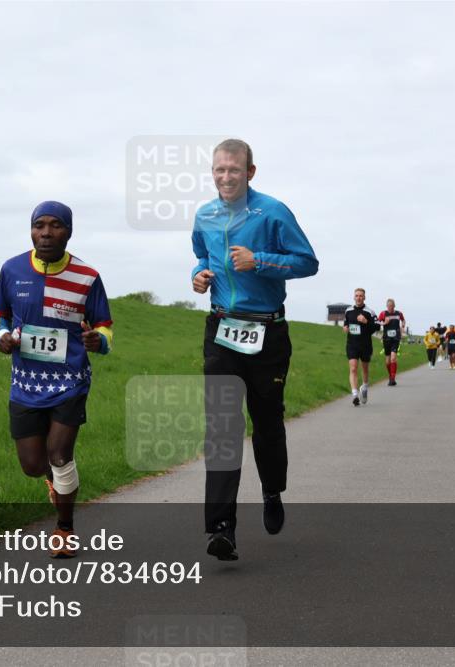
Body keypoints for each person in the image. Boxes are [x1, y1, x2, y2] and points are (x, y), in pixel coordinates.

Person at [191, 138, 318, 561]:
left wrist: (259, 260)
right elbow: (200, 255)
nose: (225, 177)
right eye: (219, 170)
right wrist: (199, 275)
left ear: (250, 172)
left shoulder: (273, 212)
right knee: (223, 427)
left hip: (268, 333)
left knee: (266, 422)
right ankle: (221, 528)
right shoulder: (205, 215)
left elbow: (307, 262)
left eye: (233, 170)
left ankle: (271, 489)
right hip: (222, 330)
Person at [0, 201, 113, 559]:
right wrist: (1, 339)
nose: (46, 233)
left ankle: (64, 529)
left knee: (60, 455)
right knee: (33, 465)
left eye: (55, 225)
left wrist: (99, 341)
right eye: (39, 225)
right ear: (31, 230)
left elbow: (105, 325)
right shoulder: (11, 270)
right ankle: (55, 483)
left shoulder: (87, 276)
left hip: (70, 380)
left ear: (69, 230)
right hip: (26, 381)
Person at [343, 288, 381, 405]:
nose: (358, 297)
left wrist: (365, 322)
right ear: (354, 297)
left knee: (364, 369)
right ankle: (354, 394)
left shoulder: (370, 312)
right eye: (356, 295)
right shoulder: (348, 311)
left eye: (361, 296)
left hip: (365, 345)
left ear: (364, 298)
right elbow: (346, 323)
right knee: (353, 368)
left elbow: (377, 327)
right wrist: (345, 327)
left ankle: (364, 387)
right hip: (352, 344)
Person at [377, 298, 406, 386]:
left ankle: (393, 378)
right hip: (386, 338)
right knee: (387, 361)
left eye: (392, 306)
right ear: (387, 306)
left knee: (393, 357)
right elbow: (377, 322)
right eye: (389, 306)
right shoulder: (383, 313)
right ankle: (390, 375)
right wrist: (384, 323)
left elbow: (403, 320)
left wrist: (403, 324)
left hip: (396, 338)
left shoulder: (399, 313)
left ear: (394, 306)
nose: (390, 307)